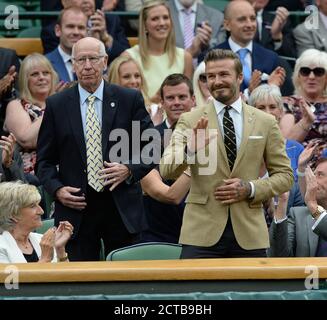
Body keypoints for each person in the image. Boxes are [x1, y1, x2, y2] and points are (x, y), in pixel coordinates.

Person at [160, 49, 293, 258]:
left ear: (240, 77)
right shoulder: (189, 120)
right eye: (210, 76)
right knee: (196, 292)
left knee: (252, 292)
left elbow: (285, 177)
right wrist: (190, 150)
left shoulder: (264, 121)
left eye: (223, 74)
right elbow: (166, 170)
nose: (216, 81)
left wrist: (249, 188)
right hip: (200, 234)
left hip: (249, 233)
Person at [36, 37, 157, 261]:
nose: (88, 65)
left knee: (125, 282)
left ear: (105, 61)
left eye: (93, 58)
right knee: (78, 281)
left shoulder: (128, 98)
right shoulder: (57, 104)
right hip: (75, 208)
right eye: (81, 60)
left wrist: (129, 169)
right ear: (73, 64)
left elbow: (153, 146)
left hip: (121, 207)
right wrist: (58, 190)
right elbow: (44, 162)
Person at [141, 73, 194, 243]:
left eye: (182, 97)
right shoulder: (148, 138)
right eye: (170, 98)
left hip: (200, 231)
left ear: (193, 99)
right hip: (158, 231)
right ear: (162, 104)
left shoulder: (209, 133)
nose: (177, 102)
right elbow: (156, 188)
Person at [203, 0, 294, 96]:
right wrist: (249, 92)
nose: (249, 25)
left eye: (253, 18)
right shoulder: (212, 58)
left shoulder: (271, 59)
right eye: (242, 20)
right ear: (227, 25)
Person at [122, 0, 193, 101]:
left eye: (165, 17)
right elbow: (123, 100)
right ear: (145, 25)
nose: (162, 23)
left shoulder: (185, 57)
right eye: (155, 19)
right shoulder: (129, 57)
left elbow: (187, 99)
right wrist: (152, 101)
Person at [4, 53, 60, 180]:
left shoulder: (63, 102)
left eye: (46, 73)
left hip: (64, 173)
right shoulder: (16, 105)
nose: (41, 78)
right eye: (34, 74)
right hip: (31, 178)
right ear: (25, 79)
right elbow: (27, 139)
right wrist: (52, 106)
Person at [0, 181, 73, 263]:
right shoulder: (2, 246)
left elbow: (65, 275)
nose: (41, 211)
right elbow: (12, 276)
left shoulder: (41, 240)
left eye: (38, 205)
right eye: (32, 206)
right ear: (13, 214)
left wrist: (60, 250)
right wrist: (45, 259)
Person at [269, 158, 327, 257]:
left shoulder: (312, 207)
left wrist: (312, 204)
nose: (312, 180)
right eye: (313, 174)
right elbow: (279, 257)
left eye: (320, 175)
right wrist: (282, 203)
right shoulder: (298, 215)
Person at [41, 0, 130, 63]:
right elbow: (54, 64)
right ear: (65, 2)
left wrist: (107, 39)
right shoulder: (52, 31)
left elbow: (128, 57)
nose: (86, 1)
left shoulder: (111, 21)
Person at [248, 84, 304, 180]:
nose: (267, 113)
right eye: (261, 108)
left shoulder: (296, 149)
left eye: (272, 107)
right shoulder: (244, 146)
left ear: (281, 111)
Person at [281, 49, 327, 151]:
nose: (311, 77)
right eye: (305, 71)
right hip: (298, 162)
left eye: (318, 72)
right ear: (298, 76)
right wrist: (305, 122)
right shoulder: (287, 103)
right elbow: (285, 146)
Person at [46, 7, 88, 83]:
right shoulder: (45, 63)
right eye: (70, 27)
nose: (76, 32)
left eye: (81, 27)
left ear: (87, 31)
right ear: (58, 30)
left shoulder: (97, 63)